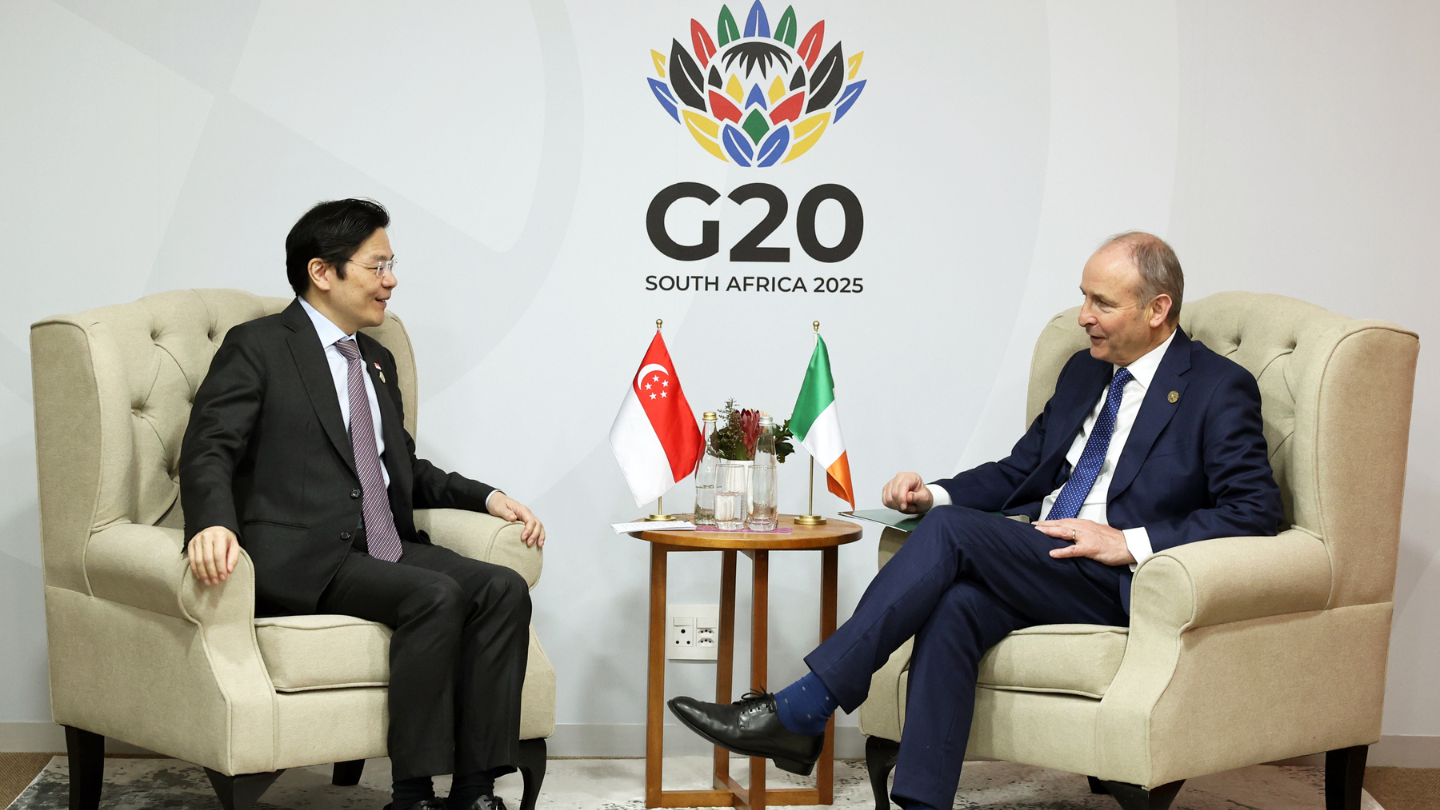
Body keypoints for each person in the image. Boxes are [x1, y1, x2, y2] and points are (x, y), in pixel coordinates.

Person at [667, 232, 1283, 810]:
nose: (1083, 316)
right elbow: (1022, 470)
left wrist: (1129, 541)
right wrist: (931, 494)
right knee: (957, 604)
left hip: (1115, 577)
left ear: (1157, 309)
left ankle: (803, 708)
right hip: (1041, 555)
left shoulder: (1215, 387)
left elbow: (1255, 512)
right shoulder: (1083, 371)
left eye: (1101, 302)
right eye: (1083, 298)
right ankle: (921, 802)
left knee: (955, 538)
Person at [179, 198, 545, 810]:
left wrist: (486, 496)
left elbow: (399, 466)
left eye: (391, 265)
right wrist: (212, 521)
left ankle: (476, 789)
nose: (391, 280)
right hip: (299, 554)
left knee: (502, 587)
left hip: (380, 546)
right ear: (323, 272)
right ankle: (412, 793)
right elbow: (209, 447)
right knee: (435, 594)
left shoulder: (374, 360)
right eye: (378, 266)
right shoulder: (260, 346)